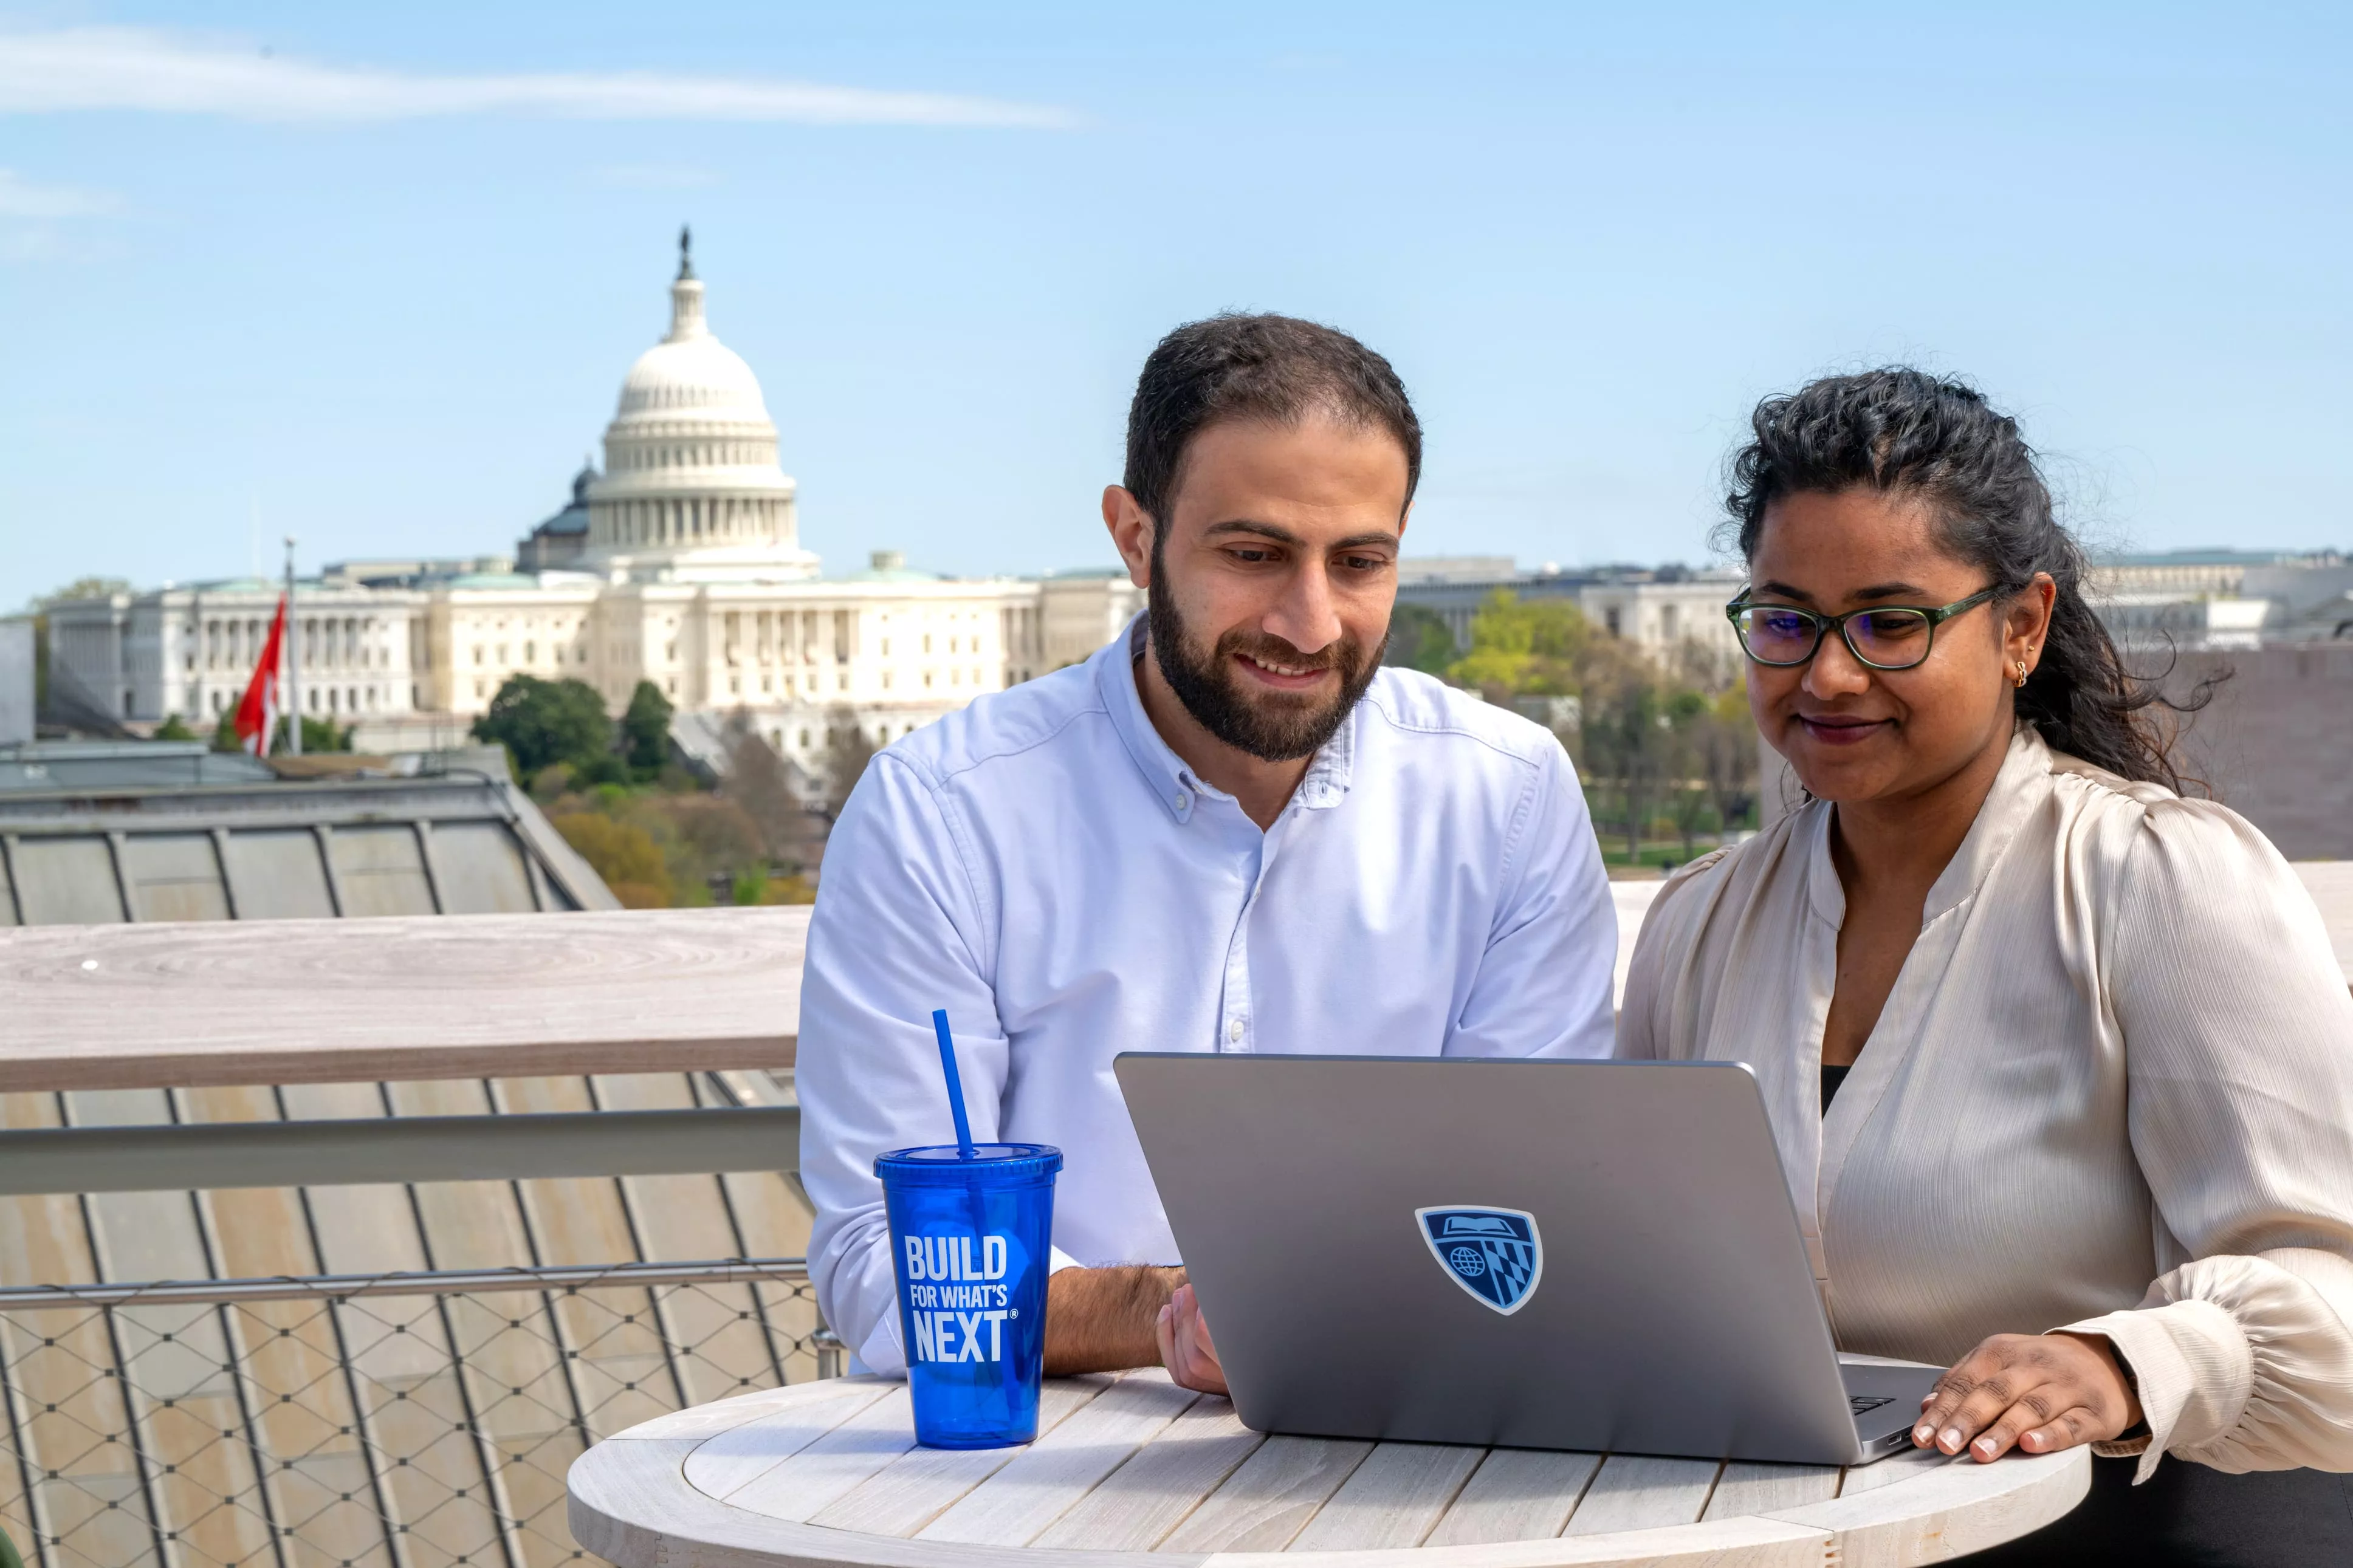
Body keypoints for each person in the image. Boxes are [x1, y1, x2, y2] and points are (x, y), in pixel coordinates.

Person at [799, 313, 1619, 1386]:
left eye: (1360, 561)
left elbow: (1533, 1206)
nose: (1311, 622)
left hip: (1401, 1443)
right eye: (1254, 554)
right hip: (1030, 1480)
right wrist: (1173, 1313)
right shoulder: (942, 815)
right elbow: (883, 1255)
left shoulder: (1507, 796)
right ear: (1134, 537)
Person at [1619, 368, 2353, 1563]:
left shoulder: (2157, 885)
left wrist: (2120, 1362)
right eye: (1787, 619)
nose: (1828, 676)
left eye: (1891, 622)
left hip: (2119, 1527)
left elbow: (2335, 1285)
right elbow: (1624, 1277)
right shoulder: (1696, 926)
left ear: (2020, 627)